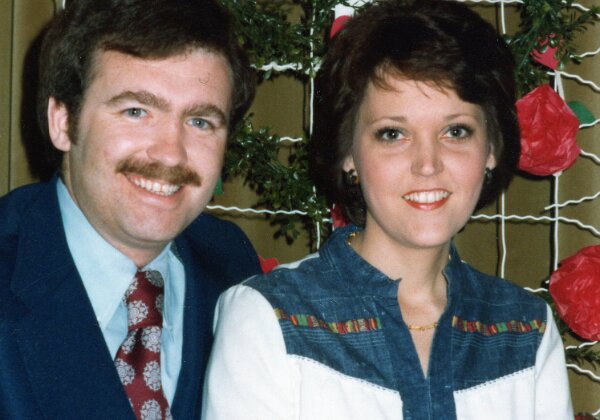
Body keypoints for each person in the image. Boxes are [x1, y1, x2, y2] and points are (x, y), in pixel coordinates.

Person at [202, 0, 573, 418]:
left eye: (456, 131)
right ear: (349, 154)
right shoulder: (269, 317)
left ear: (491, 149)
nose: (427, 164)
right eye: (393, 134)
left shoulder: (527, 328)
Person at [0, 0, 261, 418]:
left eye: (200, 122)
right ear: (63, 122)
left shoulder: (231, 264)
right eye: (136, 111)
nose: (171, 154)